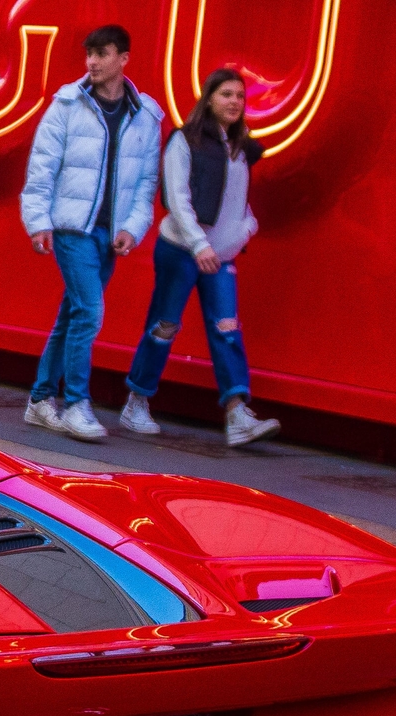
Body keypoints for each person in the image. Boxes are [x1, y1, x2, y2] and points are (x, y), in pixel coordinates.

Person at [18, 23, 163, 442]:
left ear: (124, 59)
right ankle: (76, 403)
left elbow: (145, 184)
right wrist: (39, 221)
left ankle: (40, 399)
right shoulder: (66, 105)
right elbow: (41, 167)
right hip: (71, 227)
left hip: (108, 237)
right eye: (90, 54)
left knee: (74, 314)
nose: (93, 62)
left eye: (102, 54)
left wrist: (132, 228)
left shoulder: (146, 115)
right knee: (91, 313)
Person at [118, 68, 278, 446]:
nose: (234, 102)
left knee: (227, 328)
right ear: (208, 99)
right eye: (226, 94)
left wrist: (245, 230)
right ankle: (136, 400)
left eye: (240, 95)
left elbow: (238, 204)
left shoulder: (240, 149)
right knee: (165, 325)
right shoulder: (184, 141)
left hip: (220, 259)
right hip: (181, 251)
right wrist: (198, 245)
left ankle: (237, 413)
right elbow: (177, 198)